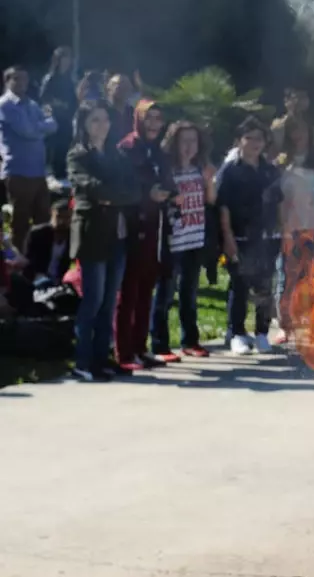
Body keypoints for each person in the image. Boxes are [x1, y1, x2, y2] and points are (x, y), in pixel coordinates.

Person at [68, 101, 140, 381]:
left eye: (105, 120)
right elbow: (92, 188)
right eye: (95, 120)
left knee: (110, 302)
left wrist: (113, 195)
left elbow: (134, 190)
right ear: (84, 124)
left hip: (118, 235)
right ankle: (83, 361)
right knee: (93, 300)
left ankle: (102, 358)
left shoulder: (117, 155)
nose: (102, 125)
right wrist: (113, 193)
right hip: (92, 235)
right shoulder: (78, 155)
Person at [114, 101, 174, 371]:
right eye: (148, 118)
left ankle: (140, 347)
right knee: (129, 290)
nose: (154, 124)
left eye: (158, 119)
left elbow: (167, 181)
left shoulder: (158, 151)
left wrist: (171, 194)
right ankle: (124, 352)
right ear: (137, 118)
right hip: (132, 226)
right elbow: (122, 187)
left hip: (155, 226)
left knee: (146, 288)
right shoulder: (127, 148)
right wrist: (147, 195)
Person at [151, 121, 216, 360]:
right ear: (174, 143)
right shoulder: (166, 170)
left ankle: (190, 341)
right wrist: (169, 197)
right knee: (165, 295)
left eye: (193, 141)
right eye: (184, 141)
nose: (189, 146)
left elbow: (211, 200)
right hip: (171, 241)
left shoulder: (201, 169)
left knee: (189, 295)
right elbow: (156, 196)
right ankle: (160, 345)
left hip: (194, 239)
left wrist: (209, 181)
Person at [217, 117, 282, 355]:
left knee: (264, 287)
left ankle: (262, 333)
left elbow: (279, 204)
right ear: (239, 141)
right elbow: (223, 206)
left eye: (260, 138)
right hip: (240, 236)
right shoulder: (230, 171)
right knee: (240, 286)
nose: (255, 142)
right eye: (249, 137)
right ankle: (236, 333)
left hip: (268, 237)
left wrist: (281, 231)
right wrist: (228, 237)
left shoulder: (270, 170)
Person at [276, 114, 314, 344]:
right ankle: (285, 327)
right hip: (291, 228)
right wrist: (282, 227)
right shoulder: (282, 160)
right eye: (293, 130)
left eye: (302, 129)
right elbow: (278, 198)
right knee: (287, 279)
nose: (298, 135)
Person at [0, 66, 57, 253]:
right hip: (18, 171)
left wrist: (39, 127)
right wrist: (41, 126)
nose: (21, 83)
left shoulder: (31, 104)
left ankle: (38, 263)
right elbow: (27, 131)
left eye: (24, 79)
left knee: (44, 221)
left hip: (38, 172)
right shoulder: (5, 105)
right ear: (7, 81)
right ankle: (17, 267)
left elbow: (53, 125)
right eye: (16, 79)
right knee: (20, 224)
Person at [39, 47, 77, 179]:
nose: (66, 62)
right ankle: (53, 171)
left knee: (66, 144)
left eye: (68, 59)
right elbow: (44, 98)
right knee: (55, 145)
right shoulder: (50, 78)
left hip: (67, 118)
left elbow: (73, 99)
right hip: (54, 118)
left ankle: (63, 171)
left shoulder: (69, 79)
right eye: (63, 59)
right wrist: (57, 104)